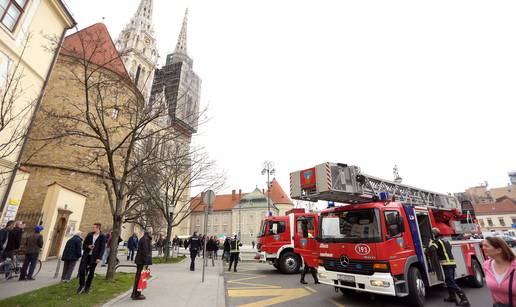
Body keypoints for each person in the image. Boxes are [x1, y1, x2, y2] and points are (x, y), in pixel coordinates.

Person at [427, 228, 470, 306]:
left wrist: (430, 243)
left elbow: (431, 249)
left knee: (450, 281)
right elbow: (449, 248)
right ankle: (452, 297)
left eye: (432, 234)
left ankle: (464, 299)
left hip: (447, 264)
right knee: (450, 281)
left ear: (434, 234)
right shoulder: (445, 240)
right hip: (451, 262)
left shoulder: (436, 241)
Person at [482, 236, 516, 307]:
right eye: (483, 245)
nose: (483, 248)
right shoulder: (486, 265)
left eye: (486, 246)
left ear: (498, 250)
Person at [77, 223, 106, 294]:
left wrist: (99, 258)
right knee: (81, 269)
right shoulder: (90, 235)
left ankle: (88, 286)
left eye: (94, 227)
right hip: (87, 255)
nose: (93, 228)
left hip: (95, 257)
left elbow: (102, 248)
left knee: (91, 272)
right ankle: (82, 284)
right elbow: (84, 244)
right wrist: (88, 246)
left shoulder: (102, 236)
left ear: (98, 228)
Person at [132, 230, 152, 300]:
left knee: (139, 277)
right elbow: (145, 252)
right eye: (151, 233)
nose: (151, 234)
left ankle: (136, 293)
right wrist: (146, 263)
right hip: (142, 261)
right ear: (148, 233)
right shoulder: (145, 239)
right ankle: (136, 294)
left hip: (141, 261)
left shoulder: (144, 239)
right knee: (140, 278)